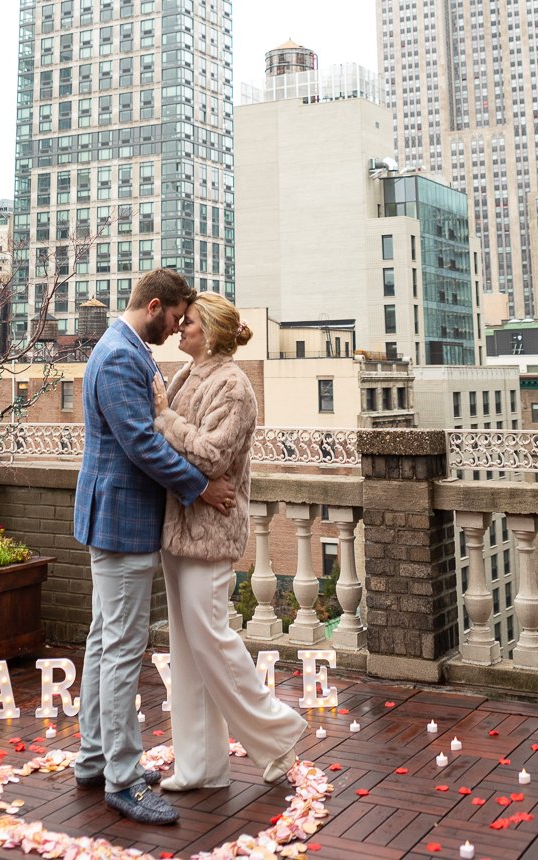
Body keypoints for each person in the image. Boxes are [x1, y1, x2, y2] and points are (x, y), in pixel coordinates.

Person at [73, 269, 235, 826]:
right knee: (120, 649)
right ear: (156, 306)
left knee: (103, 642)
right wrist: (200, 486)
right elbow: (140, 443)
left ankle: (94, 758)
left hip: (116, 519)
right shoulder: (120, 356)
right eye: (176, 316)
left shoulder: (124, 348)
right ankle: (121, 778)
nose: (177, 327)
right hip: (121, 521)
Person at [151, 292, 307, 792]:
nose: (181, 329)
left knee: (212, 641)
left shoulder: (234, 387)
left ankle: (278, 730)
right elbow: (169, 449)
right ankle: (202, 767)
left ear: (212, 332)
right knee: (188, 651)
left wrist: (166, 420)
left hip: (212, 532)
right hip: (177, 529)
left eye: (190, 322)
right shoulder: (183, 377)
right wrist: (168, 425)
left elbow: (213, 457)